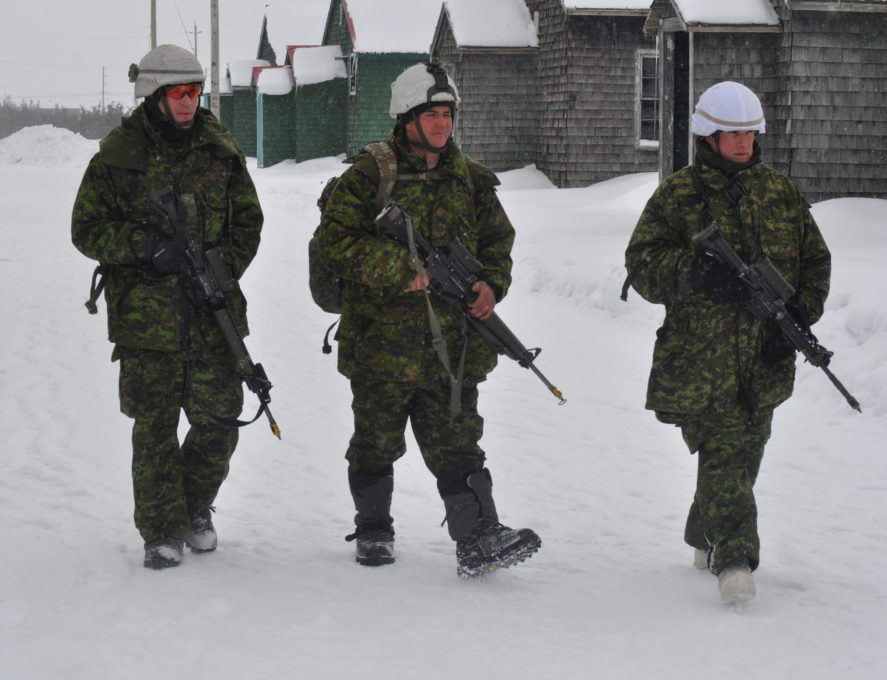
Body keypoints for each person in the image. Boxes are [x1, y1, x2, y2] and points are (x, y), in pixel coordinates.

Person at [311, 63, 541, 578]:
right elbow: (336, 244)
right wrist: (400, 269)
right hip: (381, 344)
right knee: (374, 440)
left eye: (447, 114)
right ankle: (373, 527)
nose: (443, 125)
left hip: (452, 347)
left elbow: (497, 244)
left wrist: (490, 285)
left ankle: (479, 536)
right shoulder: (370, 175)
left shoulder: (472, 180)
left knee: (458, 440)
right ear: (406, 118)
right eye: (432, 115)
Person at [623, 81, 831, 604]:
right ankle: (735, 560)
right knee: (723, 451)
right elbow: (642, 266)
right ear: (708, 137)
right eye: (731, 134)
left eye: (749, 133)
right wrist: (695, 273)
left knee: (746, 454)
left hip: (764, 357)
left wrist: (800, 315)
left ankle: (704, 534)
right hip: (700, 358)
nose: (742, 142)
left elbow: (815, 261)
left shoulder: (779, 194)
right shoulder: (679, 195)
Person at [71, 45, 264, 570]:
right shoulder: (119, 154)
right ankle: (160, 529)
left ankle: (194, 507)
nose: (189, 102)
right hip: (145, 318)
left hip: (212, 312)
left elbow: (248, 220)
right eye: (179, 93)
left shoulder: (218, 148)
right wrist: (146, 249)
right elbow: (86, 230)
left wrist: (221, 271)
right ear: (155, 95)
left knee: (220, 420)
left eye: (196, 92)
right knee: (154, 427)